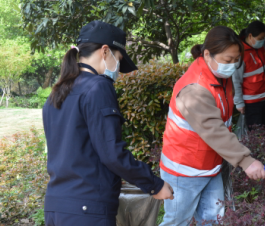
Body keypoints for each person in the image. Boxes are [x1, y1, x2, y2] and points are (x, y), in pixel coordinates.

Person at [42, 21, 174, 226]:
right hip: (88, 209)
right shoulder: (98, 87)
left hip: (56, 206)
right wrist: (154, 185)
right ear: (105, 51)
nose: (118, 67)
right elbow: (112, 153)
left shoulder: (57, 92)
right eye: (119, 58)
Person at [160, 26, 265, 226]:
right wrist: (246, 160)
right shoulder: (195, 88)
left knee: (213, 219)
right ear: (207, 54)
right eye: (228, 60)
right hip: (184, 170)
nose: (233, 66)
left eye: (237, 61)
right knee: (177, 221)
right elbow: (214, 130)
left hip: (210, 165)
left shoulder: (220, 77)